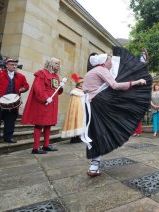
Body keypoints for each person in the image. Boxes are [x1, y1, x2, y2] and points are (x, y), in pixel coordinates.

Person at [82, 49, 150, 177]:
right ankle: (94, 164)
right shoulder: (101, 70)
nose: (111, 61)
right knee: (105, 127)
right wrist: (135, 82)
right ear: (104, 62)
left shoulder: (91, 72)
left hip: (90, 105)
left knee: (95, 132)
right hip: (100, 103)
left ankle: (94, 165)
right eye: (109, 60)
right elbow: (114, 85)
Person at [0, 58, 29, 146]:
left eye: (15, 65)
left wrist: (23, 89)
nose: (14, 66)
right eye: (12, 64)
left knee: (10, 121)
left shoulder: (21, 76)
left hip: (12, 104)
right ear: (6, 65)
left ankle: (8, 137)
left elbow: (26, 85)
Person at [21, 57, 64, 154]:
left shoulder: (56, 76)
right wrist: (45, 98)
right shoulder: (41, 73)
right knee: (39, 124)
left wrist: (61, 88)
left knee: (48, 124)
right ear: (51, 64)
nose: (58, 66)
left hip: (52, 103)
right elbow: (38, 88)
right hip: (43, 102)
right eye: (57, 63)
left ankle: (46, 145)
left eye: (59, 64)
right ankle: (36, 147)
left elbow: (57, 91)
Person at [61, 73, 84, 143]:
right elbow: (75, 103)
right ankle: (74, 138)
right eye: (81, 83)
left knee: (80, 122)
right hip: (76, 110)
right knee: (75, 121)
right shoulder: (75, 91)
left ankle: (78, 136)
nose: (82, 84)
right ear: (78, 84)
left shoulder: (82, 91)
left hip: (81, 110)